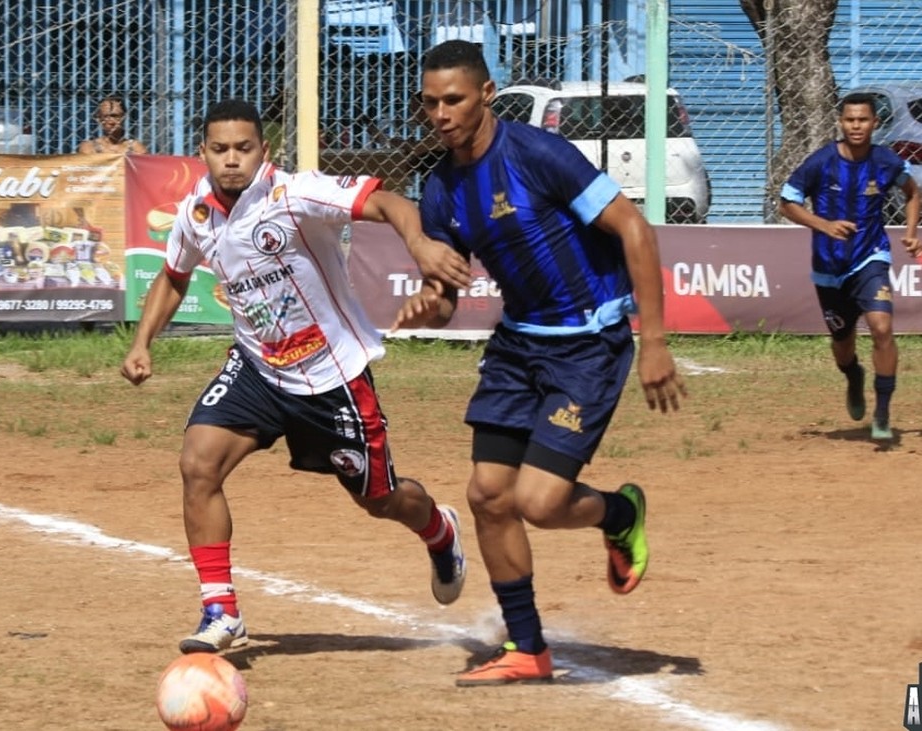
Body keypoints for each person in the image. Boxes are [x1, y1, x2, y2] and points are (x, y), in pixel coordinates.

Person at [120, 98, 472, 654]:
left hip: (332, 378)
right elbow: (172, 276)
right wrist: (142, 342)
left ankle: (440, 530)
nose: (231, 160)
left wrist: (422, 244)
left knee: (378, 499)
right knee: (198, 463)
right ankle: (221, 609)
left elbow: (383, 202)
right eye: (219, 150)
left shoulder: (295, 194)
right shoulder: (197, 213)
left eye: (243, 148)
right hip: (258, 368)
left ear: (264, 150)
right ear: (203, 153)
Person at [392, 40, 686, 685]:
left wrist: (655, 339)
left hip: (589, 343)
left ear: (487, 94)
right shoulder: (440, 189)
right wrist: (429, 300)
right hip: (518, 345)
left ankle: (620, 513)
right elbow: (447, 298)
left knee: (540, 501)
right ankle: (528, 648)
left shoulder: (537, 153)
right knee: (488, 496)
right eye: (430, 102)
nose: (440, 114)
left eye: (454, 100)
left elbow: (634, 228)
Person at [779, 91, 920, 441]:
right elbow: (786, 203)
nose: (856, 126)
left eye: (863, 120)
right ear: (841, 123)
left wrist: (912, 232)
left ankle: (883, 412)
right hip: (828, 267)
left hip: (871, 257)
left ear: (875, 123)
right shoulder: (821, 162)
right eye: (850, 120)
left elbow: (913, 192)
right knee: (842, 342)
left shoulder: (886, 161)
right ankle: (853, 376)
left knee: (882, 327)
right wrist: (824, 225)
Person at [77, 95, 148, 155]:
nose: (111, 122)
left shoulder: (136, 148)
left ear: (123, 117)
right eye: (105, 117)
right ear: (98, 119)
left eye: (115, 116)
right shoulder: (89, 148)